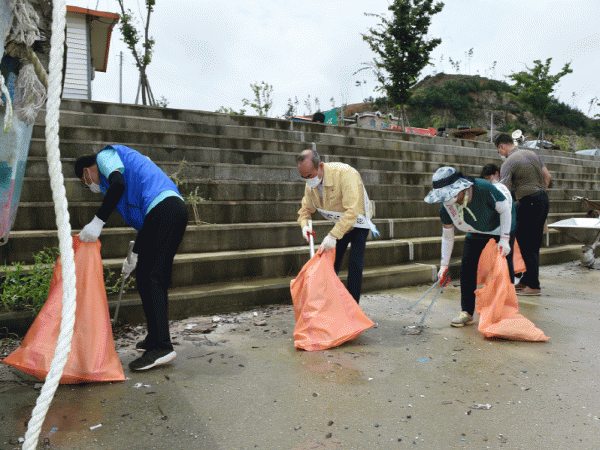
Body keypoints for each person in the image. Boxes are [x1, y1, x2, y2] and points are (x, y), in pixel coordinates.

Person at [75, 145, 188, 371]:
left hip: (165, 209)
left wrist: (97, 222)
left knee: (152, 278)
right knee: (148, 277)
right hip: (166, 212)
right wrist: (134, 255)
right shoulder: (119, 182)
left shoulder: (104, 157)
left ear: (87, 171)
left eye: (86, 182)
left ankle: (162, 346)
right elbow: (146, 220)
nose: (90, 186)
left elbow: (118, 185)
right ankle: (155, 338)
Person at [425, 166, 515, 327]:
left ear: (461, 188)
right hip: (475, 230)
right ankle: (466, 312)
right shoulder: (446, 207)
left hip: (500, 226)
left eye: (450, 194)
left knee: (504, 268)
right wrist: (444, 265)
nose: (449, 199)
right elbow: (448, 236)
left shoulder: (483, 188)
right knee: (467, 267)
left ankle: (505, 312)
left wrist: (505, 238)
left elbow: (504, 210)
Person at [296, 149, 378, 303]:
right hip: (341, 222)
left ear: (321, 166)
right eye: (304, 177)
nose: (308, 180)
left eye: (310, 176)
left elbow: (352, 211)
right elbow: (305, 210)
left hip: (359, 221)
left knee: (355, 264)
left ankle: (353, 306)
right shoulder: (311, 184)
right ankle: (330, 303)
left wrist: (333, 235)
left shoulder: (345, 174)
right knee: (331, 263)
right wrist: (304, 226)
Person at [495, 133, 551, 296]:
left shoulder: (508, 162)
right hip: (542, 199)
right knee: (531, 242)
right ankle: (527, 279)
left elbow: (504, 190)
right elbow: (547, 176)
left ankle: (533, 285)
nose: (500, 153)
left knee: (527, 244)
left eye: (499, 150)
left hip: (528, 202)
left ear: (501, 147)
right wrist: (539, 193)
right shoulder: (532, 154)